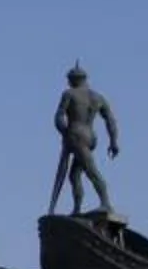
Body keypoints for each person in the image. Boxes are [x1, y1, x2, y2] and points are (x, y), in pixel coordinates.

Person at [49, 63, 122, 217]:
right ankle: (77, 208)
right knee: (74, 174)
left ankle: (105, 202)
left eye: (69, 79)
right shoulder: (97, 97)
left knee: (91, 170)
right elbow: (110, 120)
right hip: (90, 136)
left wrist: (63, 130)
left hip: (76, 134)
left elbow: (59, 115)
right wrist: (113, 141)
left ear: (73, 80)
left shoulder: (69, 94)